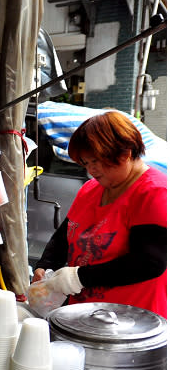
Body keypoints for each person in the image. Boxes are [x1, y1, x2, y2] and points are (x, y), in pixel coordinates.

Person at [33, 111, 167, 317]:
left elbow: (149, 262)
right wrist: (46, 265)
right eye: (86, 163)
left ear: (125, 153)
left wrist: (79, 277)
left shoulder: (154, 193)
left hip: (130, 322)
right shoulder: (90, 189)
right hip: (84, 315)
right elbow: (65, 235)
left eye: (95, 161)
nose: (91, 170)